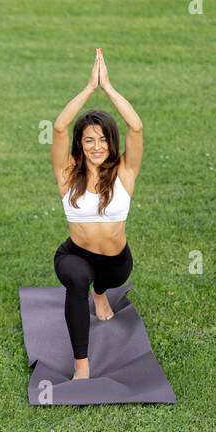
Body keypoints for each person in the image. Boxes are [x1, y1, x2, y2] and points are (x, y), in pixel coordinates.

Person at [50, 50, 144, 380]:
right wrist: (89, 88)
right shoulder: (67, 173)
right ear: (80, 143)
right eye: (89, 140)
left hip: (116, 263)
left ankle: (100, 293)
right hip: (75, 254)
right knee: (77, 278)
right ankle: (82, 366)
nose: (96, 146)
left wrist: (109, 88)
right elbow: (60, 128)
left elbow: (136, 126)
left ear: (111, 142)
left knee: (106, 280)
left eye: (103, 139)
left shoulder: (125, 172)